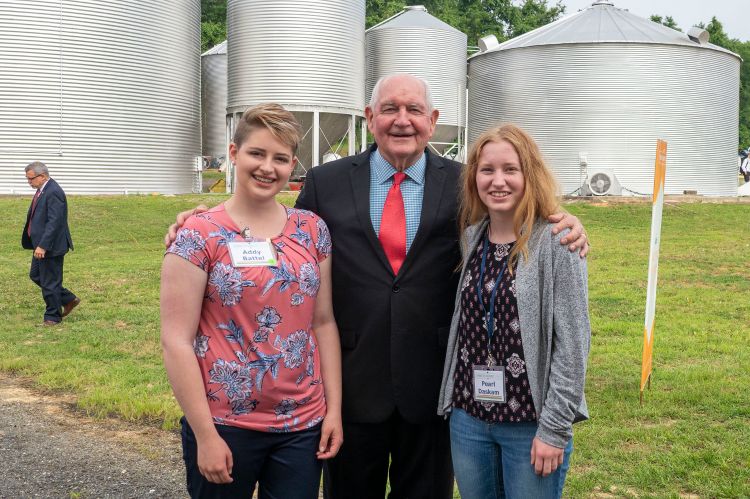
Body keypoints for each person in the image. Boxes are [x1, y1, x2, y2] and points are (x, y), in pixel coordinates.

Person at [165, 74, 589, 499]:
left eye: (414, 110)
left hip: (432, 388)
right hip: (352, 385)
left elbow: (513, 213)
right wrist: (202, 220)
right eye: (389, 109)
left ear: (433, 120)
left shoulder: (467, 182)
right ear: (370, 118)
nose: (401, 120)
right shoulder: (326, 182)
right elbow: (278, 232)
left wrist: (564, 220)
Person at [161, 103, 343, 498]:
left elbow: (323, 322)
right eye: (256, 153)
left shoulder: (311, 230)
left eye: (280, 158)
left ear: (292, 164)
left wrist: (334, 411)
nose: (267, 167)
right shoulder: (199, 234)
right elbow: (176, 340)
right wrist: (205, 435)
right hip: (225, 424)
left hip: (301, 425)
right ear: (233, 153)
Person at [438, 124, 590, 499]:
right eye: (487, 170)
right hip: (469, 419)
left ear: (530, 174)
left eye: (511, 169)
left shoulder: (557, 241)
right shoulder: (471, 236)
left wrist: (554, 429)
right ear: (474, 177)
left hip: (530, 425)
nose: (498, 180)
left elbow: (573, 344)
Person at [22, 161, 79, 326]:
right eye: (28, 179)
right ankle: (68, 299)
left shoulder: (53, 191)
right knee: (36, 275)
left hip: (50, 246)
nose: (29, 182)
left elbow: (55, 222)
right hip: (40, 245)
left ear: (43, 176)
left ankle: (52, 317)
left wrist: (43, 245)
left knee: (50, 281)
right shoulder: (42, 189)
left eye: (31, 179)